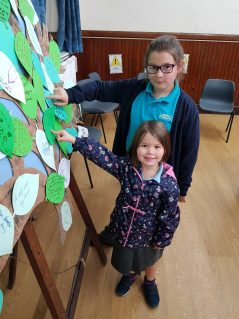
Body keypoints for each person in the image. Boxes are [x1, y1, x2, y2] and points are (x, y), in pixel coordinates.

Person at [48, 34, 200, 246]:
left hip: (159, 175)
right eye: (152, 67)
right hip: (129, 164)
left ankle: (145, 247)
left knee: (151, 210)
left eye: (167, 67)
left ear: (179, 66)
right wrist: (70, 95)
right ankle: (116, 229)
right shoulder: (135, 88)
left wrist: (183, 187)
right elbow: (100, 88)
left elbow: (190, 152)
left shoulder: (186, 108)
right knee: (126, 200)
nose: (159, 74)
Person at [52, 120, 180, 308]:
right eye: (144, 146)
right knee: (127, 259)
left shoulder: (169, 185)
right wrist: (75, 140)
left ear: (165, 149)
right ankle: (130, 275)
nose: (150, 152)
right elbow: (104, 156)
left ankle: (150, 281)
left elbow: (170, 218)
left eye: (156, 147)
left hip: (149, 237)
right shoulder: (127, 168)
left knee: (150, 260)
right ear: (136, 147)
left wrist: (161, 240)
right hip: (123, 230)